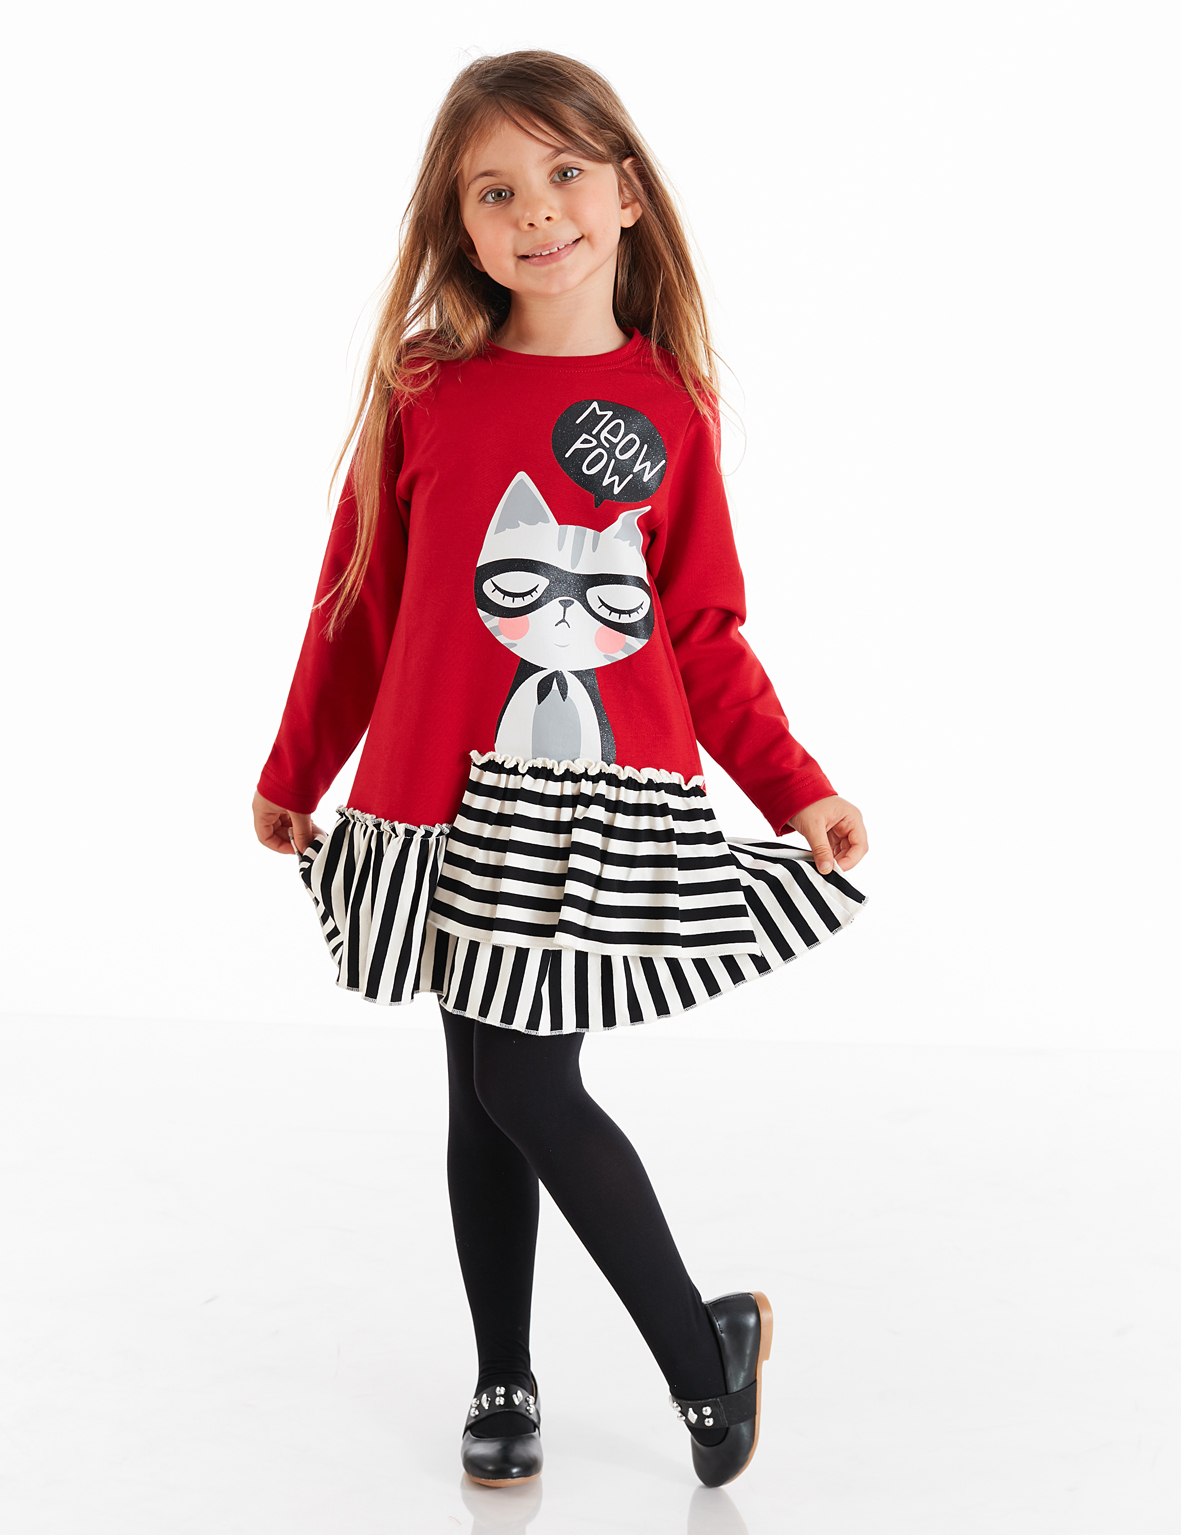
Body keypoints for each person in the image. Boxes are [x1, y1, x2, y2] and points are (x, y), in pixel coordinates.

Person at [252, 49, 869, 1491]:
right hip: (436, 800)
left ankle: (700, 1349)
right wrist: (298, 765)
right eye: (495, 189)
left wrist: (792, 785)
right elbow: (357, 601)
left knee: (526, 1078)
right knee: (478, 1085)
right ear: (457, 225)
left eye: (565, 173)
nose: (536, 209)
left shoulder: (668, 410)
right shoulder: (426, 393)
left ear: (627, 194)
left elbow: (700, 631)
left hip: (585, 810)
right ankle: (505, 1376)